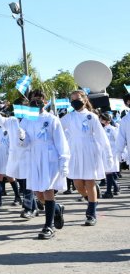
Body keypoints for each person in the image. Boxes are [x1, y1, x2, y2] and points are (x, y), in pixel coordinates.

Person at [21, 90, 69, 239]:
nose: (37, 101)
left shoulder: (52, 119)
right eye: (34, 99)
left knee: (48, 191)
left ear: (45, 101)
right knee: (39, 194)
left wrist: (64, 161)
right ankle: (56, 208)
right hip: (34, 158)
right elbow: (25, 142)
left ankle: (49, 226)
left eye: (40, 99)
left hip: (49, 158)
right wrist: (21, 137)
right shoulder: (26, 120)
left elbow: (61, 141)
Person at [61, 90, 113, 226]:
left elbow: (101, 136)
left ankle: (91, 213)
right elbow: (57, 128)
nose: (75, 102)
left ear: (84, 100)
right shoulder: (68, 117)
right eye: (72, 99)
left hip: (90, 150)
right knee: (77, 183)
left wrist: (108, 155)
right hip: (75, 152)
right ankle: (91, 199)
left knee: (89, 183)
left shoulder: (92, 116)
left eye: (77, 98)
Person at [0, 96, 27, 212]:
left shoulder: (24, 122)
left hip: (11, 155)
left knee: (12, 177)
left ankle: (20, 197)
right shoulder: (7, 123)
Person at [100, 113, 120, 198]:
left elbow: (117, 141)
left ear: (106, 120)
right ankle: (115, 187)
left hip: (112, 153)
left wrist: (116, 153)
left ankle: (109, 191)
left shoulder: (113, 129)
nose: (100, 120)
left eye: (102, 119)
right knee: (108, 172)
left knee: (109, 173)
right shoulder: (103, 129)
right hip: (105, 153)